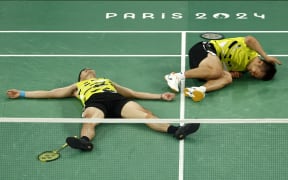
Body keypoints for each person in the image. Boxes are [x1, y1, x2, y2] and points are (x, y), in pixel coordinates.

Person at [6, 68, 200, 151]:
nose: (89, 70)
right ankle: (84, 142)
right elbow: (50, 93)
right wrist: (22, 93)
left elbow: (131, 92)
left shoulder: (106, 81)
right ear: (81, 76)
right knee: (90, 120)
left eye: (91, 69)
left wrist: (159, 96)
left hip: (117, 100)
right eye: (84, 70)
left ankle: (177, 131)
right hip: (95, 102)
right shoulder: (77, 86)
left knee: (146, 115)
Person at [165, 36, 282, 102]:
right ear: (260, 62)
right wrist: (266, 55)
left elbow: (225, 66)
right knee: (217, 71)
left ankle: (199, 90)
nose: (252, 74)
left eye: (254, 76)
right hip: (204, 49)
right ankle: (175, 76)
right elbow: (250, 39)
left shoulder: (244, 69)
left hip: (206, 66)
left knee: (228, 78)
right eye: (256, 73)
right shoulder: (251, 50)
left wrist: (231, 72)